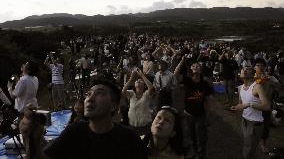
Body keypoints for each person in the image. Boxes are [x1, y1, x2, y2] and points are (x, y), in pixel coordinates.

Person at [18, 78, 147, 159]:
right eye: (88, 94)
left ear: (113, 106)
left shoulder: (129, 139)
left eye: (99, 93)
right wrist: (31, 138)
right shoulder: (74, 131)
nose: (90, 99)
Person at [175, 58, 214, 159]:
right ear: (191, 69)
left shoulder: (205, 84)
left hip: (200, 115)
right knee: (192, 136)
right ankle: (195, 153)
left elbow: (208, 100)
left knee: (201, 138)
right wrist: (182, 62)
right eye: (193, 66)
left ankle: (200, 156)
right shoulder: (187, 80)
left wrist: (209, 115)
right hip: (188, 114)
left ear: (200, 69)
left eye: (198, 66)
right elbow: (175, 74)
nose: (195, 67)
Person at [230, 67, 270, 159]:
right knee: (244, 144)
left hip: (255, 124)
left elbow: (267, 106)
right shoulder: (240, 88)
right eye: (243, 69)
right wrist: (236, 108)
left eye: (247, 69)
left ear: (252, 75)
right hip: (244, 121)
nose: (244, 70)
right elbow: (241, 104)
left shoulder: (257, 87)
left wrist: (249, 104)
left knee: (249, 150)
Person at [253, 58, 281, 153]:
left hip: (266, 107)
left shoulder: (270, 78)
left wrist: (269, 80)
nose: (260, 67)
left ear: (265, 67)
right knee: (253, 126)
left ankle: (263, 144)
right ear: (254, 67)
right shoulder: (251, 77)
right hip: (254, 106)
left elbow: (279, 86)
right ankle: (252, 141)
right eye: (258, 65)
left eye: (262, 65)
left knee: (265, 127)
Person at [121, 69, 155, 135]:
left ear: (144, 85)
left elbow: (151, 88)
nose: (138, 80)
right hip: (132, 125)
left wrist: (142, 75)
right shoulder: (131, 93)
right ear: (134, 85)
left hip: (145, 126)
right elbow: (122, 93)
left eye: (140, 80)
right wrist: (131, 79)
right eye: (137, 80)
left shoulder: (146, 94)